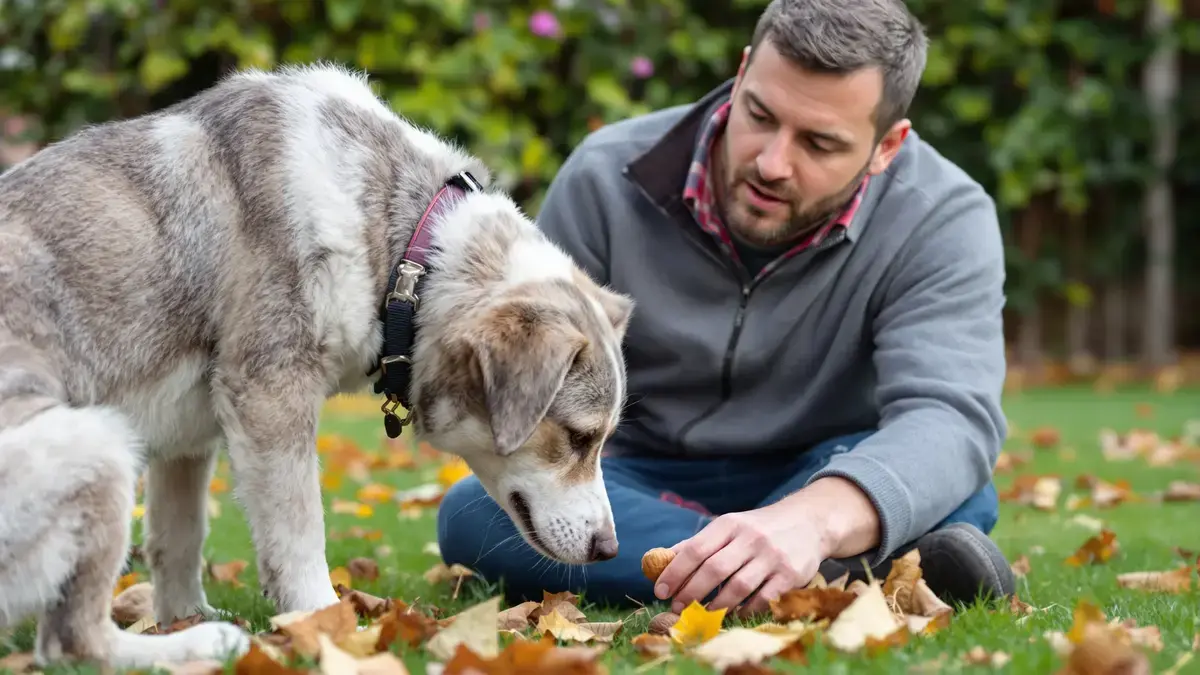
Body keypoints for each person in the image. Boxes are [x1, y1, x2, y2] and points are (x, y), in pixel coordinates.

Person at [436, 0, 1015, 617]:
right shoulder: (604, 178)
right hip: (641, 480)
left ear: (886, 146)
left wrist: (813, 519)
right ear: (741, 74)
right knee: (473, 514)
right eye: (760, 115)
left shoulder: (943, 217)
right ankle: (828, 577)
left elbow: (949, 418)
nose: (771, 163)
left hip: (822, 470)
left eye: (820, 143)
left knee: (957, 487)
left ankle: (778, 562)